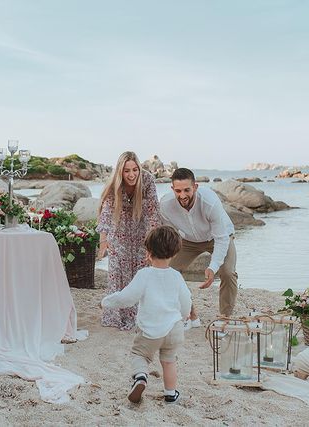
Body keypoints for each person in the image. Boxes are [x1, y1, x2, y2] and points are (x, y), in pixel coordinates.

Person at [101, 226, 191, 404]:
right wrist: (184, 315)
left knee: (139, 355)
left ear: (148, 251)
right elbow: (186, 300)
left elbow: (126, 298)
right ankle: (171, 394)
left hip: (151, 330)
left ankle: (141, 377)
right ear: (174, 253)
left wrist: (105, 302)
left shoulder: (145, 275)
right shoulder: (176, 276)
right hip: (174, 328)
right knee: (169, 361)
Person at [159, 168, 238, 323]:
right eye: (178, 191)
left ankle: (225, 318)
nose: (182, 195)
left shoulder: (210, 202)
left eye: (187, 190)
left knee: (228, 273)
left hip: (218, 238)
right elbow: (171, 233)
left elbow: (221, 238)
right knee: (167, 273)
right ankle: (190, 315)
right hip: (187, 241)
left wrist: (212, 267)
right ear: (172, 189)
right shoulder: (165, 205)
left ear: (195, 187)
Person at [96, 151, 161, 330]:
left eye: (135, 170)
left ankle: (140, 315)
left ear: (139, 169)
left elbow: (153, 213)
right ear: (120, 172)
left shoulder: (147, 181)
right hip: (120, 231)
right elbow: (107, 213)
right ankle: (116, 315)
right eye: (126, 171)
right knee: (117, 274)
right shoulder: (114, 186)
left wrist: (152, 244)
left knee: (141, 273)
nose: (131, 175)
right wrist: (103, 241)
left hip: (141, 232)